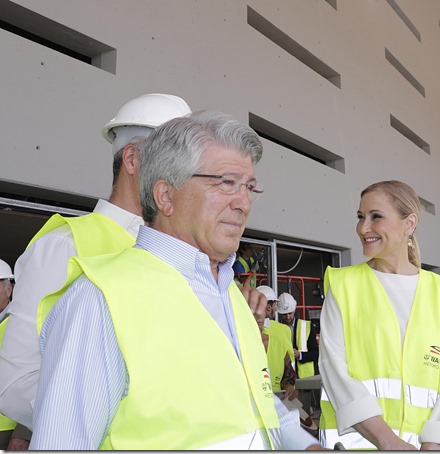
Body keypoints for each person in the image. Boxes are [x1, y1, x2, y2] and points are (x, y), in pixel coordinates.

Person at [29, 110, 321, 450]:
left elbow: (254, 402)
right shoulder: (100, 301)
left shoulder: (228, 291)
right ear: (166, 196)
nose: (243, 203)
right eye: (226, 183)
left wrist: (308, 446)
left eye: (250, 187)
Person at [0, 93, 193, 448]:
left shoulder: (182, 254)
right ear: (133, 159)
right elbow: (15, 384)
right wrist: (116, 417)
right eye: (175, 163)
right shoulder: (65, 247)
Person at [319, 180, 440, 450]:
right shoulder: (343, 285)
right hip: (357, 445)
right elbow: (334, 371)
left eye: (375, 216)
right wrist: (388, 442)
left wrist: (433, 445)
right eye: (360, 217)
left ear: (409, 224)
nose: (363, 228)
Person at [256, 285, 298, 400]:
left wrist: (288, 385)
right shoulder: (280, 340)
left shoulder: (238, 341)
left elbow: (288, 375)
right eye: (275, 305)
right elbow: (289, 373)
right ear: (269, 308)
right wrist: (289, 385)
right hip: (276, 401)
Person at [0, 260, 22, 451]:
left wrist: (24, 432)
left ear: (9, 289)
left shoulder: (24, 323)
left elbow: (41, 375)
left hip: (8, 429)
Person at [278, 292, 319, 379]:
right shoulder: (276, 329)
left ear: (294, 310)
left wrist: (300, 355)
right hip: (283, 379)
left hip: (305, 380)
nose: (288, 317)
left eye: (290, 313)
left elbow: (316, 354)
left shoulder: (307, 326)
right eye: (284, 314)